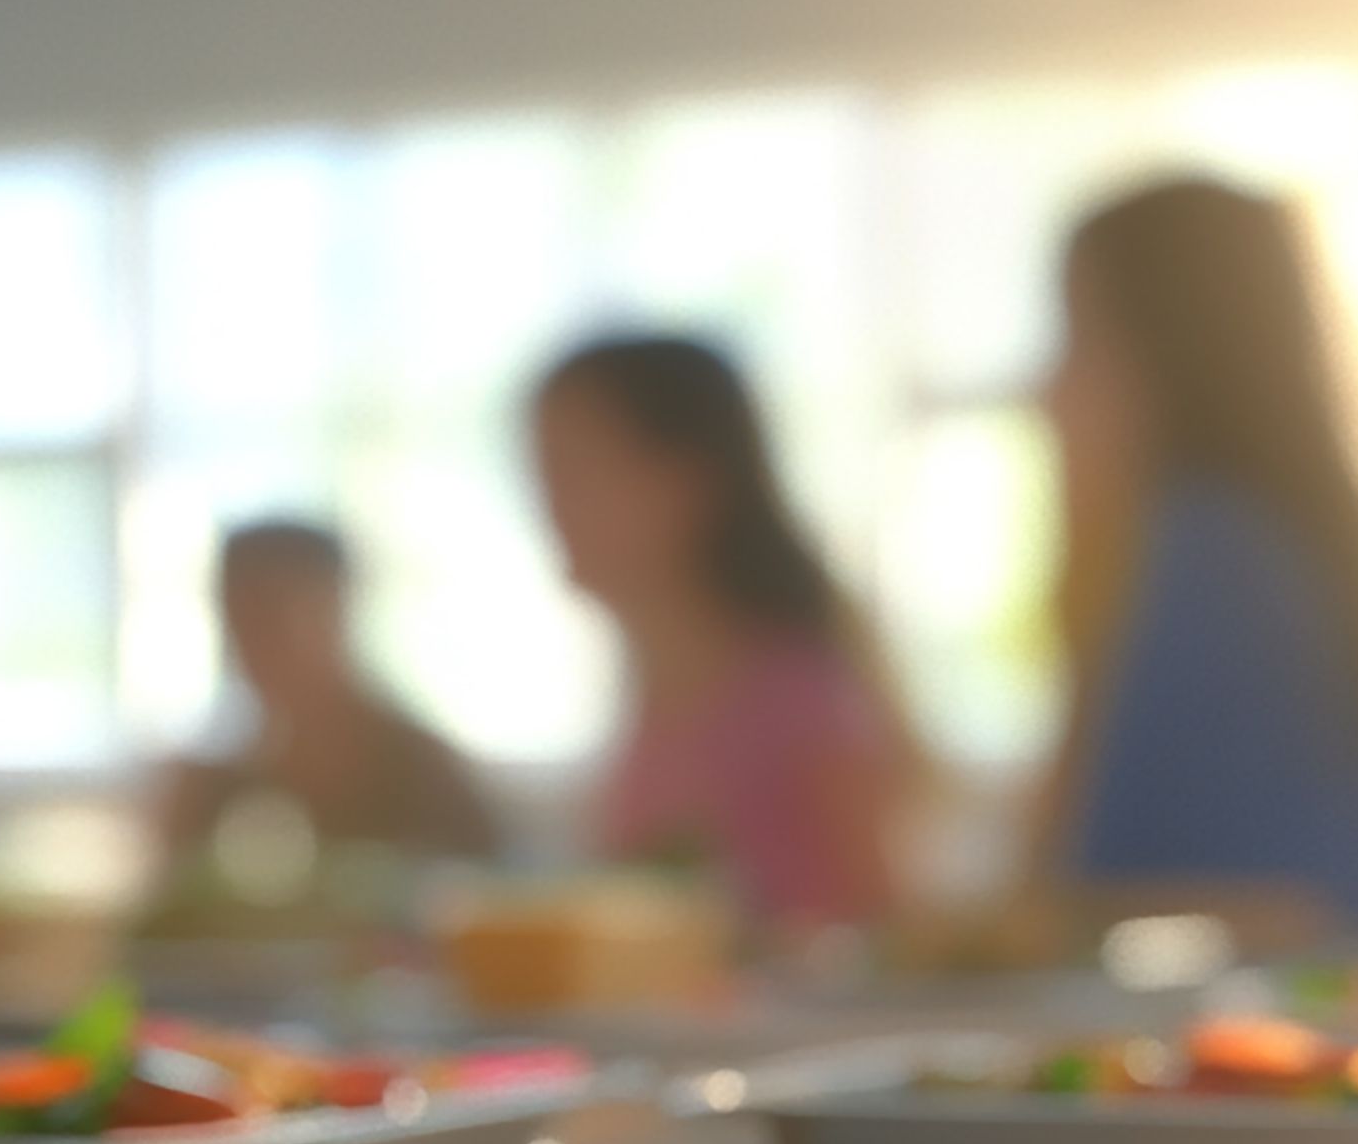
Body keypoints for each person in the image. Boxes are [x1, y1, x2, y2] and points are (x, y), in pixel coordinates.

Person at [1038, 176, 1358, 950]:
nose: (1046, 389)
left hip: (1356, 1007)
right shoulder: (1296, 546)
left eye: (1080, 339)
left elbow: (1075, 908)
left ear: (1172, 354)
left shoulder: (1210, 564)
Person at [533, 336, 910, 934]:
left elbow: (888, 928)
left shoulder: (797, 697)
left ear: (685, 484)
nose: (549, 506)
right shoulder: (650, 700)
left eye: (573, 471)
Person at [156, 519, 500, 881]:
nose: (254, 641)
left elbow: (489, 891)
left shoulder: (423, 772)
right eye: (238, 617)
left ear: (337, 608)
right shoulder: (213, 787)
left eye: (273, 614)